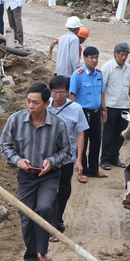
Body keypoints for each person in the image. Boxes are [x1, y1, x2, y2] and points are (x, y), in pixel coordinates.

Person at [0, 82, 74, 261]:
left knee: (44, 208)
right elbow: (5, 145)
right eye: (28, 101)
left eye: (35, 102)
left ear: (47, 103)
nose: (30, 106)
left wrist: (52, 161)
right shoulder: (15, 120)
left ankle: (42, 251)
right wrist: (17, 160)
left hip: (49, 176)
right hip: (26, 177)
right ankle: (31, 259)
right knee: (26, 215)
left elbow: (66, 151)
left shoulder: (58, 125)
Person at [46, 73, 88, 227]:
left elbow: (80, 133)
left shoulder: (76, 109)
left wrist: (79, 159)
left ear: (68, 92)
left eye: (62, 93)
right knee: (49, 190)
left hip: (67, 158)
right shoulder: (44, 106)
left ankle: (56, 219)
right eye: (55, 93)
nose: (58, 96)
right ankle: (55, 222)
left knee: (64, 189)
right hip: (47, 157)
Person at [99, 42, 130, 170]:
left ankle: (114, 157)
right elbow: (102, 88)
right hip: (110, 106)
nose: (124, 57)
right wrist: (103, 107)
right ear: (115, 53)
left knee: (121, 134)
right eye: (122, 54)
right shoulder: (108, 67)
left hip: (123, 106)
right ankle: (105, 159)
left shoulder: (128, 68)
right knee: (108, 134)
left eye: (126, 55)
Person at [69, 46, 106, 180]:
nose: (94, 60)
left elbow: (102, 92)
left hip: (96, 113)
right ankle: (82, 171)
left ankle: (94, 170)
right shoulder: (77, 75)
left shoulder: (99, 74)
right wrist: (75, 113)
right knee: (82, 142)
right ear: (84, 58)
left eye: (96, 57)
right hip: (82, 113)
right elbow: (72, 94)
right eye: (91, 58)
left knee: (96, 142)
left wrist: (104, 108)